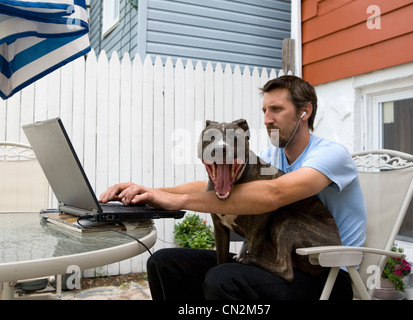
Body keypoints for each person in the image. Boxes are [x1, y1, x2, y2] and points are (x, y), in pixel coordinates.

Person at [99, 75, 367, 300]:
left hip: (326, 275)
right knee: (165, 263)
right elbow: (208, 186)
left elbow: (274, 194)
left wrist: (178, 202)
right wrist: (151, 191)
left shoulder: (331, 155)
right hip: (268, 259)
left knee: (224, 279)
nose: (266, 119)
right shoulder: (271, 157)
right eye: (264, 110)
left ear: (304, 112)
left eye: (276, 109)